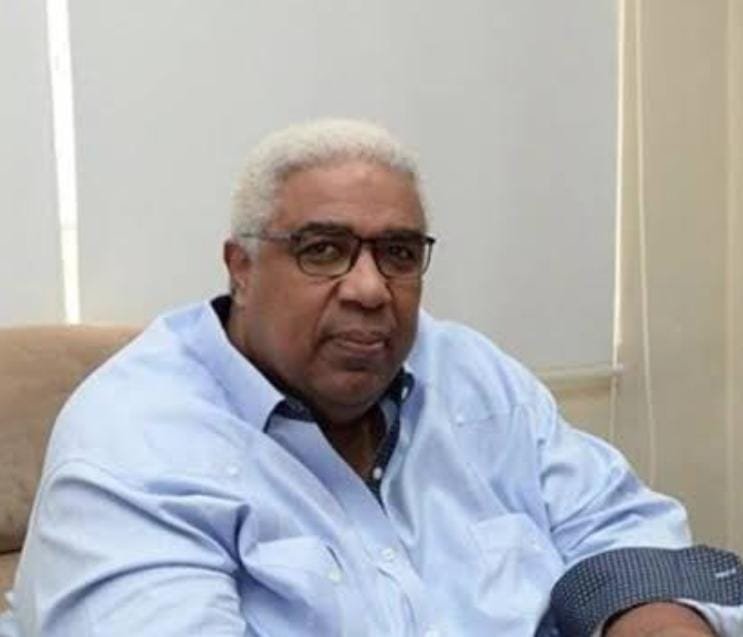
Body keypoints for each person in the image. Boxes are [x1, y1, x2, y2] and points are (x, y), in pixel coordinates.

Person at [1, 119, 741, 637]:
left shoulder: (470, 375)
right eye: (322, 249)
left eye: (398, 253)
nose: (369, 288)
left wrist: (656, 620)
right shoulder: (134, 441)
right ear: (242, 268)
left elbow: (615, 527)